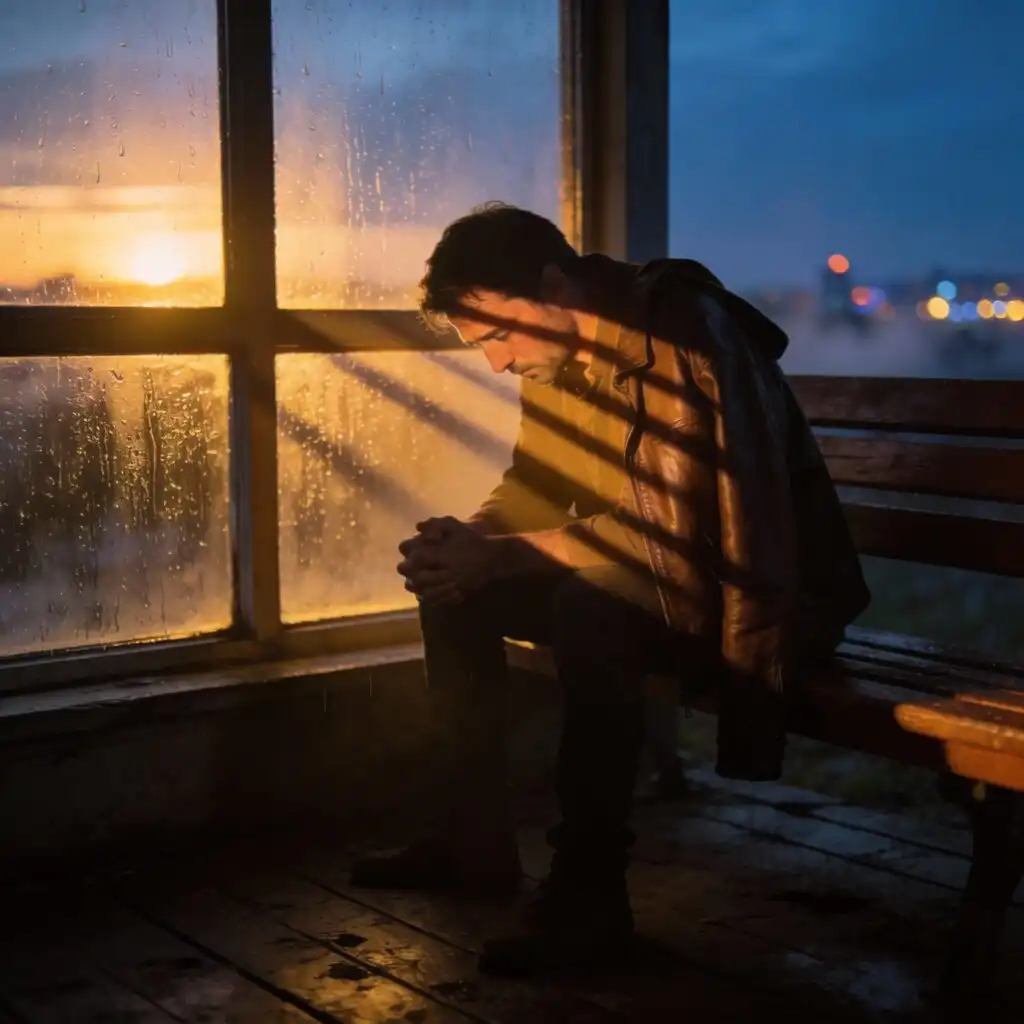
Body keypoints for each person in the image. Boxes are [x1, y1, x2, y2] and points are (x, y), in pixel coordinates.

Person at [350, 202, 870, 976]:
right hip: (654, 579)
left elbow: (686, 540)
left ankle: (590, 895)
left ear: (555, 287)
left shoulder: (685, 333)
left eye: (497, 335)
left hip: (757, 595)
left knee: (592, 606)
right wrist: (468, 544)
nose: (495, 363)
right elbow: (535, 483)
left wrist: (503, 555)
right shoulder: (560, 352)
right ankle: (471, 835)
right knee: (457, 587)